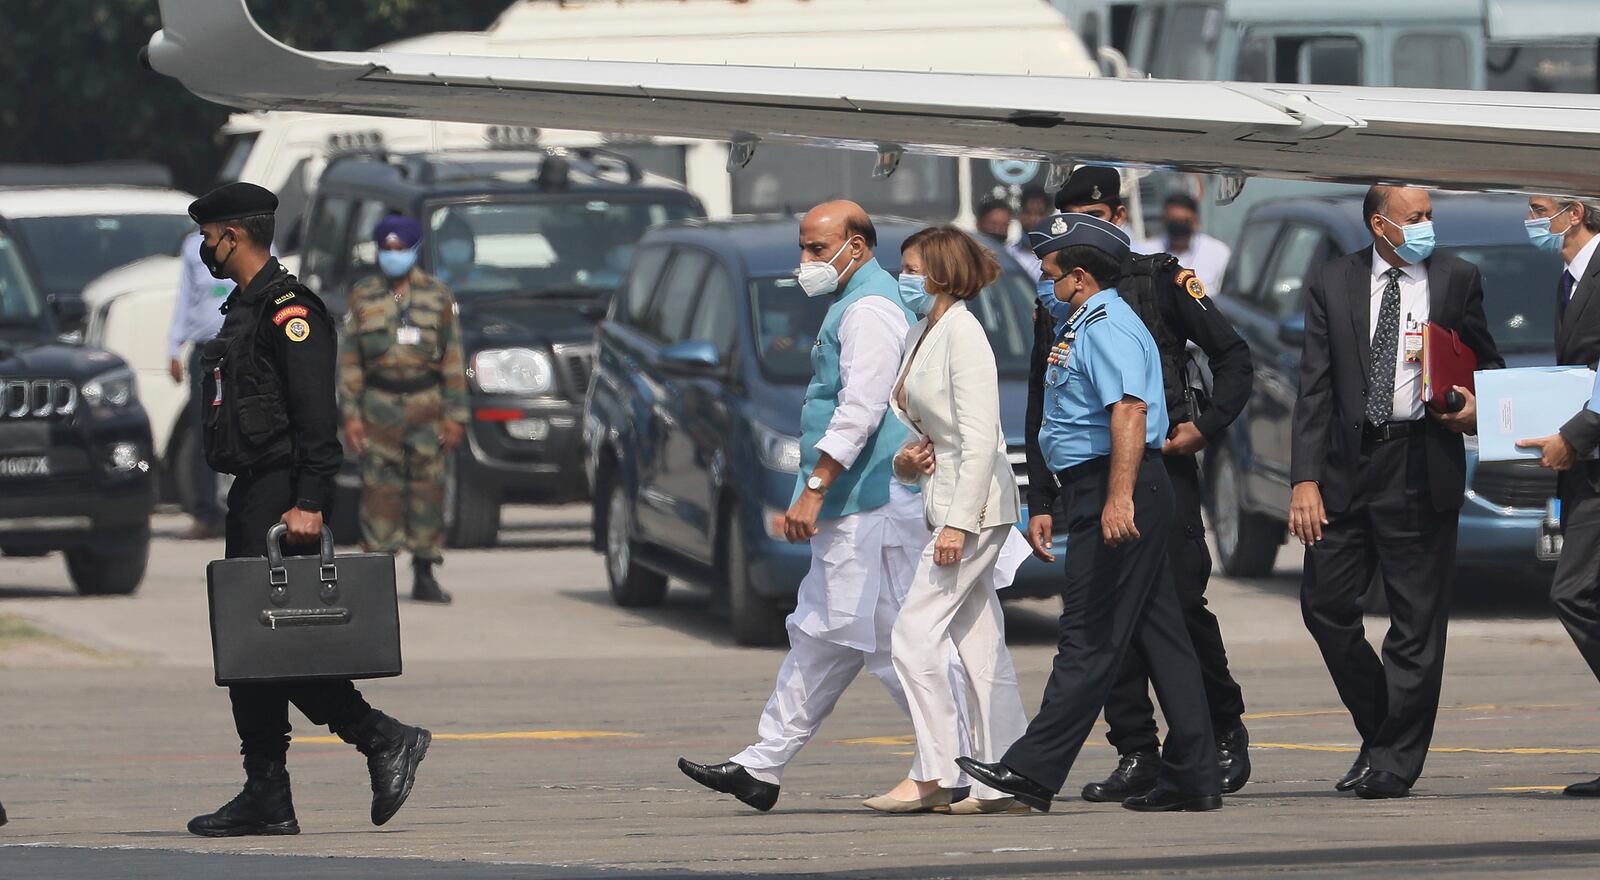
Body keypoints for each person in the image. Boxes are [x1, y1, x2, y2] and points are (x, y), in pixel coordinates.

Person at [678, 201, 965, 812]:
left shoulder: (869, 309)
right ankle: (762, 765)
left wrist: (814, 487)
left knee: (891, 644)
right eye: (803, 247)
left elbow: (859, 409)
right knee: (822, 634)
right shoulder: (857, 302)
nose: (804, 262)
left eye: (815, 248)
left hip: (872, 503)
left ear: (856, 246)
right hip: (858, 501)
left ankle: (954, 762)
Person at [184, 182, 432, 837]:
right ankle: (269, 792)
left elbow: (316, 416)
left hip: (281, 493)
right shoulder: (247, 306)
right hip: (253, 489)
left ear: (231, 235)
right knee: (252, 648)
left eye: (209, 237)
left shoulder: (290, 310)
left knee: (270, 645)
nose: (205, 248)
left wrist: (310, 501)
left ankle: (380, 737)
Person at [958, 213, 1222, 815]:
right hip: (1099, 483)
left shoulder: (1106, 327)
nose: (1044, 280)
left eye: (1051, 271)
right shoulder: (1082, 321)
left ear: (1079, 277)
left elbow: (1129, 413)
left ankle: (1031, 769)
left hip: (1117, 482)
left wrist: (1118, 497)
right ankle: (1194, 775)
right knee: (1161, 634)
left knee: (1087, 634)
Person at [1029, 165, 1255, 803]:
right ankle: (1137, 748)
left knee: (1176, 605)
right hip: (1095, 470)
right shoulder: (1060, 292)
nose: (1075, 237)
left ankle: (1218, 730)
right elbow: (1048, 399)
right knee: (1121, 614)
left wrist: (1205, 428)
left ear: (1117, 220)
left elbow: (1233, 356)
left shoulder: (1158, 281)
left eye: (1092, 220)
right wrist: (1041, 495)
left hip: (1157, 466)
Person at [1288, 184, 1502, 799]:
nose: (1429, 226)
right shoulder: (1334, 280)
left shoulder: (1457, 279)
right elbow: (1315, 388)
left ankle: (1393, 762)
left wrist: (1474, 409)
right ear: (1381, 225)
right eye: (1417, 217)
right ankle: (1383, 727)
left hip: (1420, 461)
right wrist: (1304, 478)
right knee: (1324, 606)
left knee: (1415, 622)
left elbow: (1488, 364)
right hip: (1345, 468)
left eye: (1431, 215)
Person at [864, 227, 1030, 815]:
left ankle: (935, 772)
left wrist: (958, 524)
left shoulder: (964, 333)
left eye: (912, 268)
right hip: (946, 499)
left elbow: (983, 436)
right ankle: (1007, 779)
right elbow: (925, 435)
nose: (903, 278)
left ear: (940, 273)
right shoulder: (920, 333)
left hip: (977, 508)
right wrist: (906, 463)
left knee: (912, 636)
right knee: (981, 649)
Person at [1514, 196, 1600, 796]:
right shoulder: (1569, 278)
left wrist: (1575, 436)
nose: (1531, 217)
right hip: (1584, 471)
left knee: (1572, 592)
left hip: (1591, 461)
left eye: (1539, 207)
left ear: (1574, 212)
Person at [340, 216, 469, 605]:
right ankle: (377, 577)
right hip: (379, 405)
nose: (392, 256)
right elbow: (350, 362)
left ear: (413, 251)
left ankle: (425, 571)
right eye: (386, 250)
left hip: (426, 405)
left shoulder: (437, 296)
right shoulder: (363, 296)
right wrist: (351, 415)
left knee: (427, 489)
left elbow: (452, 357)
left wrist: (455, 415)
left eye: (400, 250)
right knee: (379, 490)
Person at [167, 229, 232, 540]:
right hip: (205, 349)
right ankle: (206, 514)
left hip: (242, 346)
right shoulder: (194, 246)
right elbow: (185, 298)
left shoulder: (251, 241)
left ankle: (244, 511)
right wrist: (173, 347)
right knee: (205, 430)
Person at [1141, 194, 1231, 295]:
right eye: (1174, 221)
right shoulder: (1145, 252)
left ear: (1196, 221)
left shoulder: (1218, 252)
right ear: (1164, 220)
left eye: (1184, 221)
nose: (1179, 226)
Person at [1008, 186, 1051, 277]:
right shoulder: (1008, 254)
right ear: (1020, 215)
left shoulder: (1055, 256)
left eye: (1040, 214)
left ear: (1048, 217)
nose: (1034, 219)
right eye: (1028, 213)